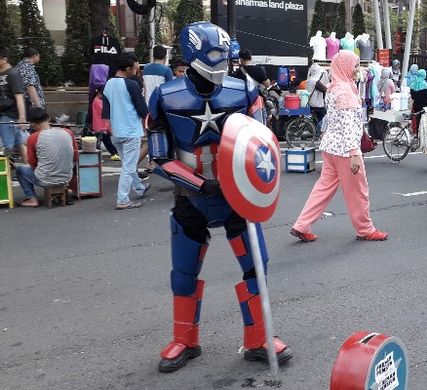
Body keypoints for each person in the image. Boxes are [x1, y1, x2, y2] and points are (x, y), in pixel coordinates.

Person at [148, 22, 292, 372]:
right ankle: (185, 338)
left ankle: (258, 338)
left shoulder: (245, 89)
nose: (223, 63)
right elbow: (160, 157)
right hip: (191, 196)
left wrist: (254, 183)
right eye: (216, 55)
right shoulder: (166, 96)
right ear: (194, 52)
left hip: (238, 198)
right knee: (183, 272)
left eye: (226, 56)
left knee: (257, 268)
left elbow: (262, 146)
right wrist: (199, 185)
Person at [291, 50, 388, 243]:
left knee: (323, 188)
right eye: (355, 65)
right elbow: (348, 124)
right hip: (345, 150)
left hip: (330, 147)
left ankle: (302, 224)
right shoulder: (346, 91)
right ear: (345, 66)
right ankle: (365, 229)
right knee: (358, 191)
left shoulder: (334, 87)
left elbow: (332, 119)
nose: (357, 69)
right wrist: (354, 152)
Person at [101, 53, 151, 210]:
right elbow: (143, 110)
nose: (136, 71)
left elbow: (105, 112)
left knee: (128, 164)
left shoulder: (107, 84)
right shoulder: (131, 85)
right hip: (130, 131)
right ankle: (122, 199)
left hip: (116, 132)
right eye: (135, 68)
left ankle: (139, 189)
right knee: (128, 167)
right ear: (128, 68)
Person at [15, 108, 78, 207]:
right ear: (48, 118)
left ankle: (32, 199)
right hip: (66, 178)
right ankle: (64, 189)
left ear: (32, 124)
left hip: (45, 179)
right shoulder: (68, 132)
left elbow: (32, 162)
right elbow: (75, 156)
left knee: (20, 170)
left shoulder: (33, 138)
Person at [0, 48, 28, 160]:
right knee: (19, 141)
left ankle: (8, 167)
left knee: (8, 145)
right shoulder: (2, 74)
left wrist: (22, 117)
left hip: (10, 114)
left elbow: (19, 96)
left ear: (4, 59)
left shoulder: (13, 74)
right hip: (3, 112)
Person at [90, 86, 119, 160]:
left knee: (105, 140)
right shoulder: (97, 101)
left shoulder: (97, 100)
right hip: (101, 125)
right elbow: (103, 111)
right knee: (102, 141)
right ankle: (112, 153)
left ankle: (113, 153)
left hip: (101, 125)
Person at [409, 68, 427, 133]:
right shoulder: (424, 83)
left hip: (416, 105)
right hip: (423, 105)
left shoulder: (413, 83)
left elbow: (412, 95)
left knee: (417, 119)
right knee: (423, 120)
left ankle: (417, 132)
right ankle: (422, 134)